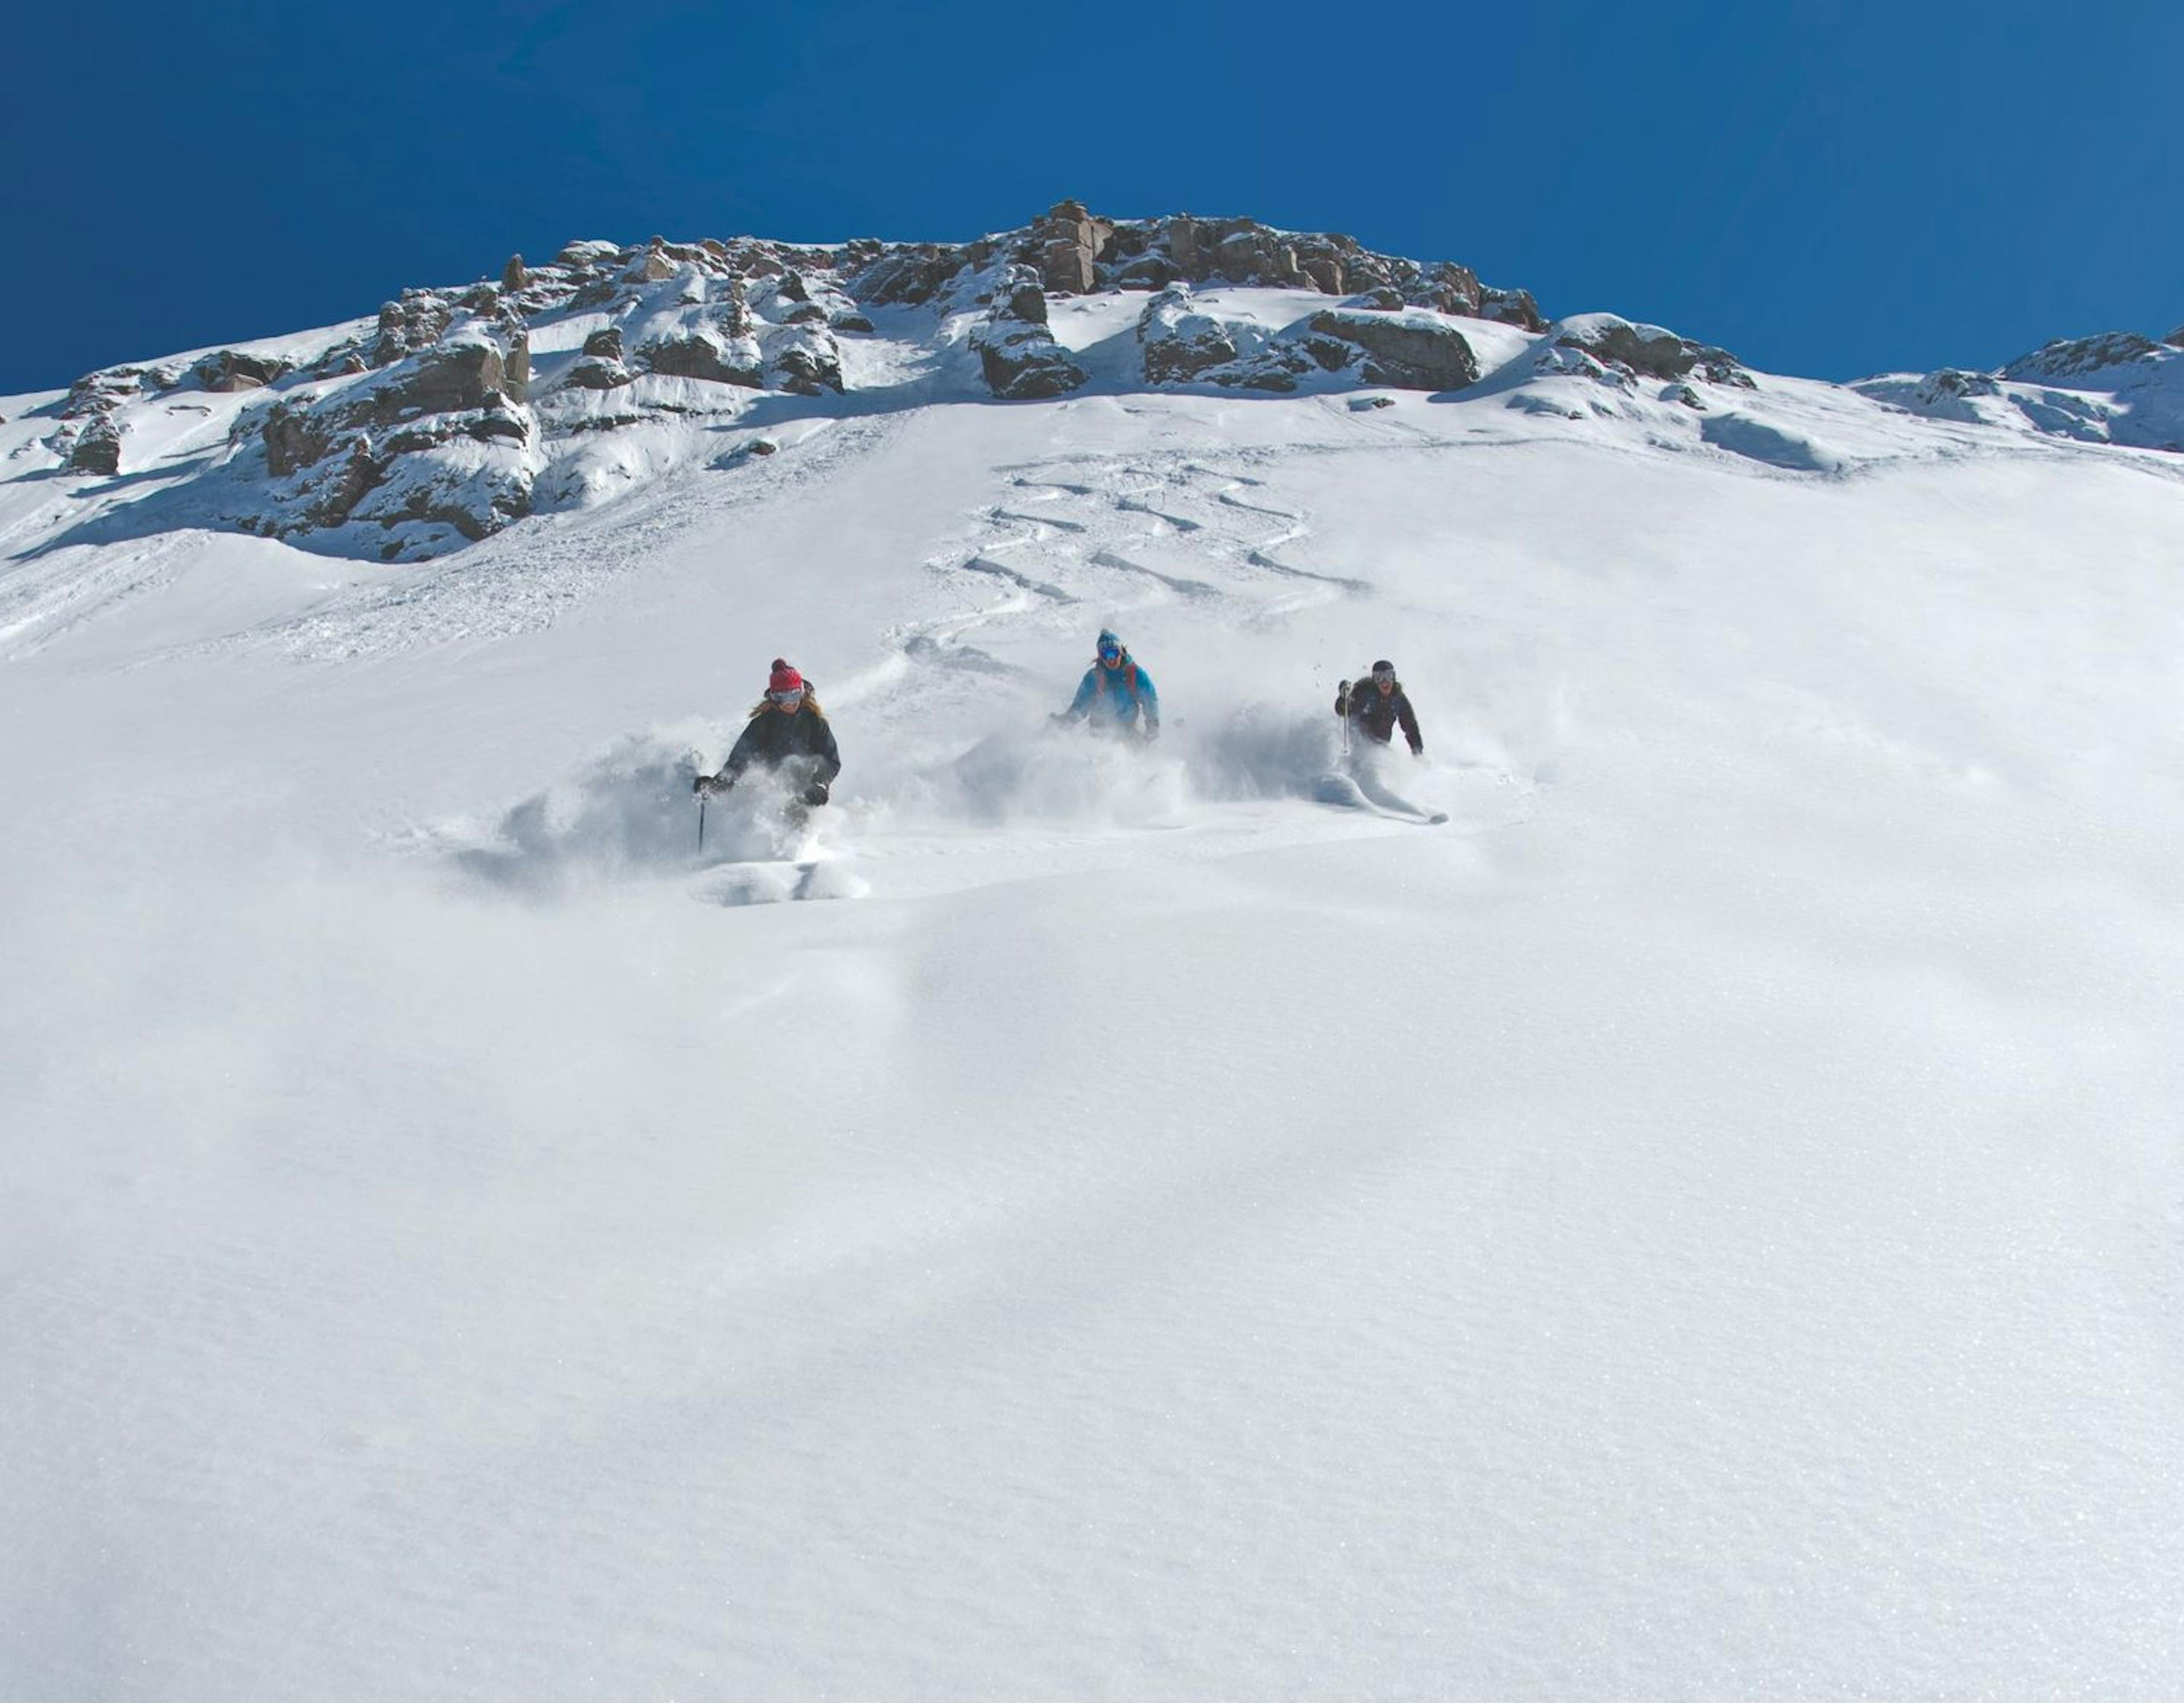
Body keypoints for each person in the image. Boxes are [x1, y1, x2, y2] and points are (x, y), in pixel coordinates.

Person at [694, 658, 842, 805]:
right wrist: (720, 783)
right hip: (771, 784)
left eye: (794, 695)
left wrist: (820, 783)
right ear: (774, 698)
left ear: (802, 693)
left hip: (806, 788)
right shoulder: (763, 723)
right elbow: (740, 757)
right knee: (767, 806)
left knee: (798, 812)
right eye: (784, 698)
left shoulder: (815, 721)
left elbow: (831, 759)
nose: (790, 703)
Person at [1053, 628, 1160, 740]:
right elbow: (1079, 708)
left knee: (1139, 750)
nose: (1111, 659)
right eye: (1105, 655)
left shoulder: (1134, 674)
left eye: (1114, 653)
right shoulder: (1093, 678)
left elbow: (1150, 699)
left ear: (1121, 652)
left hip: (1127, 730)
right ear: (1100, 656)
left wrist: (1152, 727)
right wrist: (1058, 726)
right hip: (1099, 733)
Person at [1336, 660, 1423, 756]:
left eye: (1388, 676)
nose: (1385, 682)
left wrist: (1417, 751)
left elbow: (1411, 726)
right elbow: (1343, 711)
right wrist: (1343, 698)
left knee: (1387, 762)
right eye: (1380, 678)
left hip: (1381, 748)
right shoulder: (1365, 694)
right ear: (1375, 680)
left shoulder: (1398, 699)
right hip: (1359, 746)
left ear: (1394, 678)